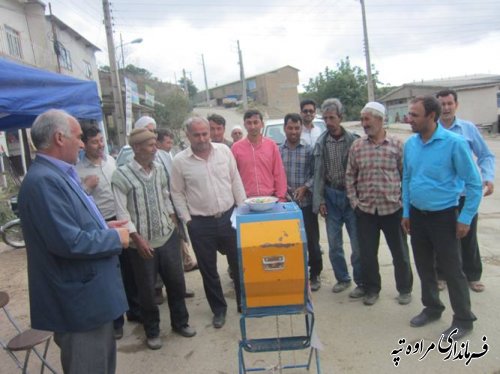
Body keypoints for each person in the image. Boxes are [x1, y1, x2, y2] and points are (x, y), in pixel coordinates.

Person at [18, 109, 130, 373]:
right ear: (59, 137)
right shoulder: (43, 181)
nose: (82, 143)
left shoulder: (57, 175)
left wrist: (103, 226)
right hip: (78, 305)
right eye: (79, 137)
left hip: (90, 299)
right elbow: (69, 242)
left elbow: (70, 225)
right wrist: (114, 237)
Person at [402, 95, 482, 340]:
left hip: (445, 216)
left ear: (431, 116)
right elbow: (407, 179)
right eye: (410, 114)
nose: (409, 119)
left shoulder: (454, 143)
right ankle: (433, 307)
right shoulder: (411, 144)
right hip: (417, 216)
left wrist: (465, 217)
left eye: (415, 115)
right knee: (425, 266)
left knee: (452, 269)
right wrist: (406, 212)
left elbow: (474, 183)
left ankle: (463, 319)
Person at [112, 128, 196, 350]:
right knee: (147, 291)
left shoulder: (159, 169)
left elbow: (166, 197)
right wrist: (137, 240)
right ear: (137, 148)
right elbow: (122, 213)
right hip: (141, 244)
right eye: (150, 144)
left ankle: (181, 323)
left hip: (167, 237)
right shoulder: (121, 175)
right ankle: (152, 332)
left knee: (176, 283)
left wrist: (174, 223)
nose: (155, 148)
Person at [171, 116, 246, 329]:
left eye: (206, 133)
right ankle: (219, 310)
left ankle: (244, 302)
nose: (203, 138)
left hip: (229, 217)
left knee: (238, 263)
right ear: (188, 136)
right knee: (208, 270)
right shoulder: (180, 161)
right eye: (197, 134)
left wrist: (241, 211)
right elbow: (176, 193)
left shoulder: (224, 152)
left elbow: (235, 180)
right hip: (200, 223)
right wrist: (187, 220)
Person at [76, 124, 140, 340]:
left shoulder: (111, 161)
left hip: (120, 220)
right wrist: (86, 187)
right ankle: (116, 321)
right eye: (95, 141)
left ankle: (134, 310)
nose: (100, 145)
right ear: (83, 144)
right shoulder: (77, 170)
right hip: (99, 224)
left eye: (101, 140)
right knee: (110, 275)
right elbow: (76, 202)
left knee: (130, 270)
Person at [345, 102, 413, 306]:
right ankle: (372, 289)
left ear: (380, 120)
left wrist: (404, 206)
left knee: (400, 253)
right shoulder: (357, 146)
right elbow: (350, 176)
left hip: (392, 209)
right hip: (365, 210)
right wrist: (355, 202)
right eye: (362, 119)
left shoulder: (397, 145)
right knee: (367, 254)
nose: (363, 123)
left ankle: (404, 289)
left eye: (367, 119)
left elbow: (406, 177)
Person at [436, 89, 495, 293]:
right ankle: (440, 275)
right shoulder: (431, 130)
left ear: (456, 105)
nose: (445, 108)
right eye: (442, 104)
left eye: (449, 103)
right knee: (441, 237)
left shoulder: (468, 129)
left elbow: (486, 155)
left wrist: (488, 176)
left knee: (468, 235)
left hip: (464, 194)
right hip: (441, 195)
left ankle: (472, 275)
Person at [312, 98, 363, 297]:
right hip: (331, 197)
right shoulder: (321, 142)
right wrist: (321, 200)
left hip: (351, 198)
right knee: (334, 245)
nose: (328, 121)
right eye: (325, 118)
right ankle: (343, 279)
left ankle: (361, 282)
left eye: (332, 117)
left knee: (358, 245)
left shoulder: (354, 141)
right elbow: (318, 175)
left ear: (340, 118)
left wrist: (359, 198)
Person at [279, 113, 323, 291]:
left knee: (311, 241)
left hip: (306, 204)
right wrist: (285, 190)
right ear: (285, 129)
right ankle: (294, 274)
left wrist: (305, 187)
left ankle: (315, 274)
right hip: (286, 206)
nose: (294, 131)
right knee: (289, 243)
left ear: (301, 129)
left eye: (297, 128)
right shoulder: (278, 151)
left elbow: (316, 174)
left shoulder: (308, 150)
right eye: (290, 128)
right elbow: (276, 174)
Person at [156, 128, 198, 273]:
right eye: (167, 142)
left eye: (171, 142)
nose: (170, 145)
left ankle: (186, 261)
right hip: (166, 206)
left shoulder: (168, 155)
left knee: (179, 234)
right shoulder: (158, 157)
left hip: (173, 204)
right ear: (159, 143)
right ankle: (180, 266)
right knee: (174, 237)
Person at [232, 109, 287, 201]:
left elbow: (279, 173)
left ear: (262, 124)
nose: (252, 126)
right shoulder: (236, 148)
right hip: (246, 200)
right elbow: (233, 176)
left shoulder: (271, 146)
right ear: (245, 125)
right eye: (249, 123)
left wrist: (281, 197)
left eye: (255, 122)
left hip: (270, 199)